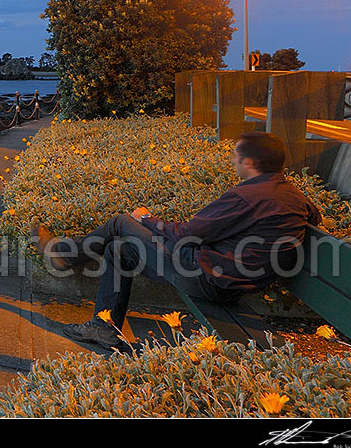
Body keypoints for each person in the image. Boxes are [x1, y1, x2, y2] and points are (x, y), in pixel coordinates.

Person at [36, 131, 322, 349]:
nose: (234, 161)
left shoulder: (246, 196)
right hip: (230, 279)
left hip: (208, 277)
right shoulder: (293, 195)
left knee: (122, 222)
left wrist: (147, 219)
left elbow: (188, 234)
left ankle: (63, 256)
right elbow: (315, 218)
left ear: (250, 162)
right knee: (121, 249)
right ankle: (104, 327)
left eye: (236, 157)